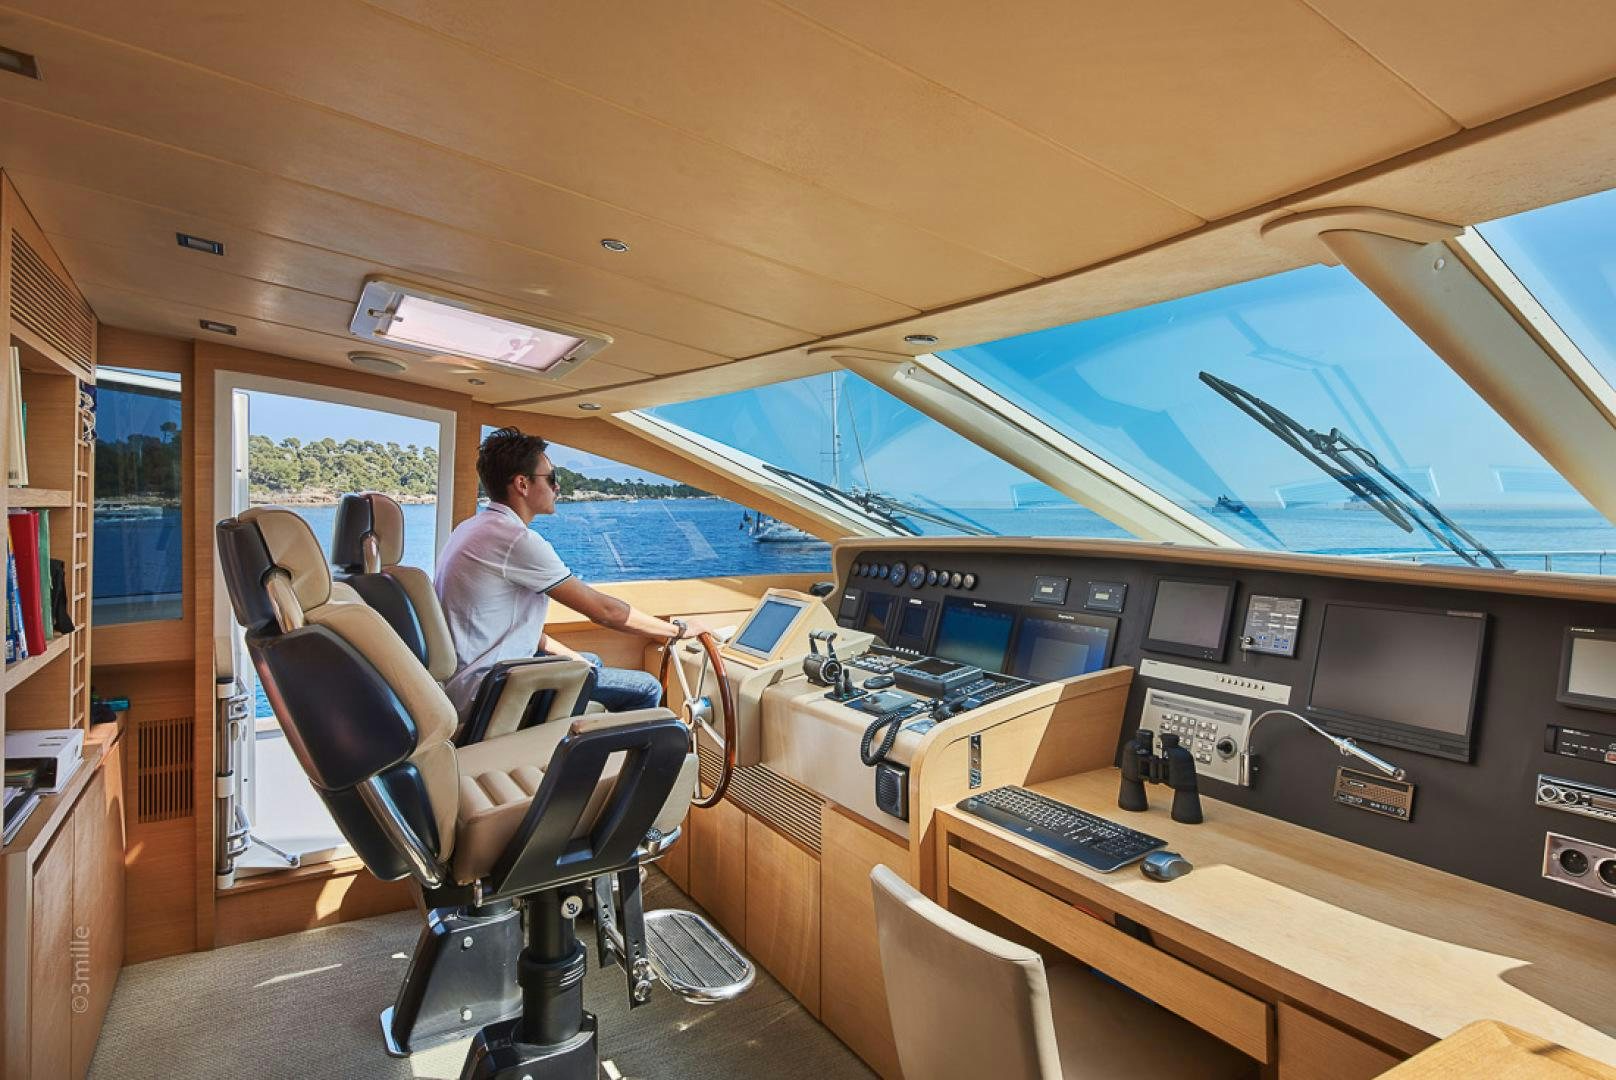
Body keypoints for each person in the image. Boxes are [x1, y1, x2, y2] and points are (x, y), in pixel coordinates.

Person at [434, 426, 711, 719]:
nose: (557, 487)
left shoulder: (472, 528)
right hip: (488, 691)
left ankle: (564, 748)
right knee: (646, 688)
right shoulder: (515, 540)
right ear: (522, 484)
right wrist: (678, 631)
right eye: (552, 478)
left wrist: (575, 658)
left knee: (591, 662)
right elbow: (605, 612)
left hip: (471, 679)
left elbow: (512, 629)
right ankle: (600, 760)